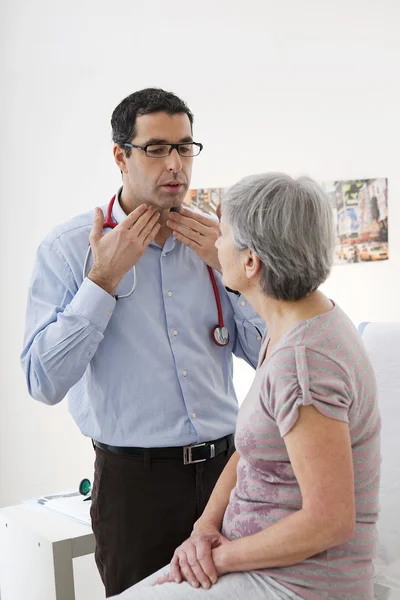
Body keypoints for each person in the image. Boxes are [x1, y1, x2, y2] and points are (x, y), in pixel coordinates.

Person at [20, 89, 265, 597]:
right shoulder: (68, 250)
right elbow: (42, 381)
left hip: (230, 474)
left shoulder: (220, 244)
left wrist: (237, 277)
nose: (175, 164)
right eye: (156, 148)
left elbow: (269, 355)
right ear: (120, 156)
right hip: (136, 490)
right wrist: (102, 281)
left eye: (185, 147)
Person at [113, 173, 381, 600]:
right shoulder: (295, 324)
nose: (214, 244)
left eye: (225, 235)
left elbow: (330, 520)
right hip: (257, 561)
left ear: (251, 262)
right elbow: (252, 446)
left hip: (296, 584)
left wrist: (220, 557)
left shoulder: (304, 362)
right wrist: (204, 528)